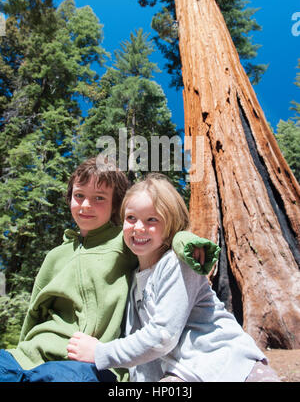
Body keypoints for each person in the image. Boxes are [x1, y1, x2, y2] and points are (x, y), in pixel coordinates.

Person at [0, 158, 218, 383]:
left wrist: (187, 242)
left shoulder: (125, 241)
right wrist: (20, 352)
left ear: (116, 205)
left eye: (99, 198)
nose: (86, 205)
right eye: (79, 196)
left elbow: (164, 233)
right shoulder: (55, 256)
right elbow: (34, 312)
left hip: (84, 362)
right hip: (29, 355)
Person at [67, 173, 281, 382]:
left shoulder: (176, 263)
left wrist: (100, 352)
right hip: (187, 373)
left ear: (171, 225)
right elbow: (143, 351)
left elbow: (162, 336)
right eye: (131, 218)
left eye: (152, 219)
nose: (138, 227)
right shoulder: (134, 280)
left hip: (231, 365)